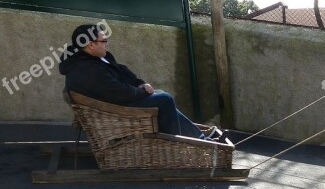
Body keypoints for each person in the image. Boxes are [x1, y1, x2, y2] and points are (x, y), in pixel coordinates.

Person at [58, 24, 214, 140]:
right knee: (164, 99)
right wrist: (142, 92)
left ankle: (196, 134)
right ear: (91, 45)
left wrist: (140, 83)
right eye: (104, 40)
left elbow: (121, 70)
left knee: (161, 95)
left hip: (116, 102)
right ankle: (187, 139)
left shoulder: (96, 57)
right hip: (114, 109)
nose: (107, 43)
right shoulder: (87, 69)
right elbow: (119, 93)